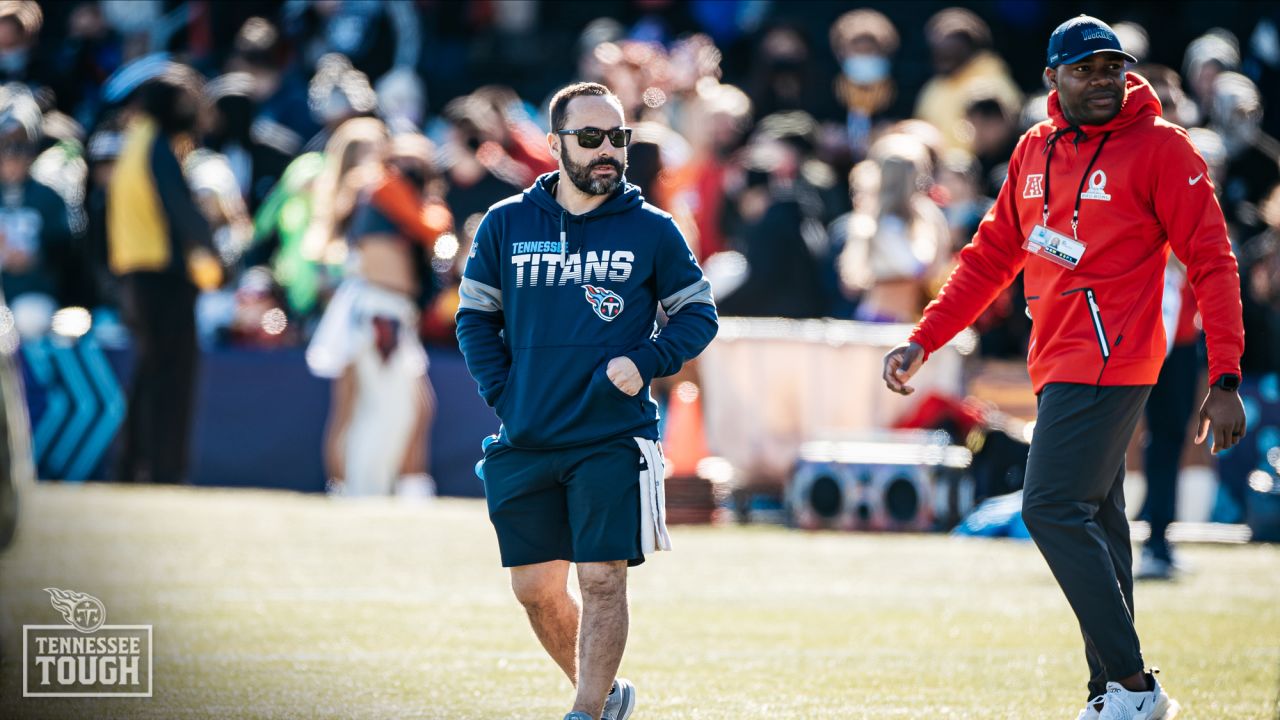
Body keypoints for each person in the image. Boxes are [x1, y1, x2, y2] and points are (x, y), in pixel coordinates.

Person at [881, 16, 1245, 720]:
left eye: (1113, 67)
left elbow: (1213, 260)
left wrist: (1224, 376)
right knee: (1098, 521)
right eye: (1086, 69)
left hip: (1115, 358)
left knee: (1047, 506)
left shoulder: (1162, 148)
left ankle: (1137, 688)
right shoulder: (1033, 148)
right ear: (1052, 79)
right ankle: (1108, 693)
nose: (1104, 80)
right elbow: (991, 254)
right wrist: (926, 339)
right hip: (1056, 358)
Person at [456, 81, 717, 720]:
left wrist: (646, 360)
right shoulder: (505, 222)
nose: (608, 151)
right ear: (555, 145)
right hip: (527, 436)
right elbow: (474, 320)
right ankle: (603, 696)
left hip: (611, 437)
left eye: (618, 138)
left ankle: (585, 711)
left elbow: (698, 316)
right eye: (591, 138)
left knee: (603, 579)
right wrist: (505, 395)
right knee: (535, 589)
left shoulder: (652, 228)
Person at [307, 132, 449, 498]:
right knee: (385, 408)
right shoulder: (382, 187)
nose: (410, 168)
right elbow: (433, 225)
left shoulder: (392, 192)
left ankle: (372, 488)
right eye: (402, 159)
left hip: (390, 310)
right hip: (378, 310)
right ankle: (362, 490)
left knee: (402, 407)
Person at [107, 64, 221, 485]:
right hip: (162, 275)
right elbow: (179, 208)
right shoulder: (155, 144)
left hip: (137, 274)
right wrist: (213, 248)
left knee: (149, 370)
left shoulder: (135, 141)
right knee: (172, 376)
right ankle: (164, 469)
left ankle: (131, 464)